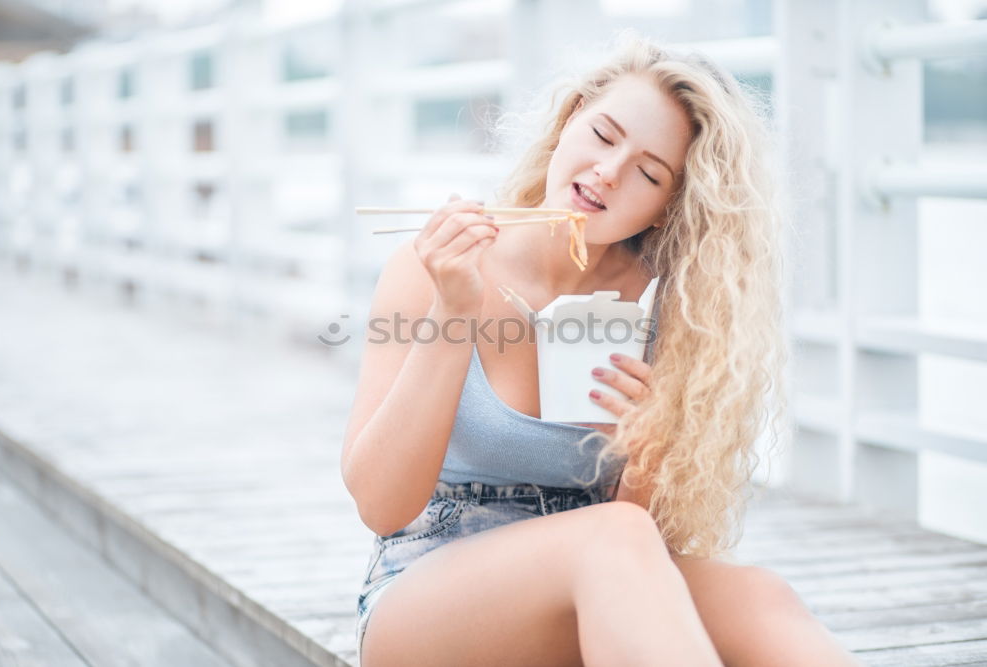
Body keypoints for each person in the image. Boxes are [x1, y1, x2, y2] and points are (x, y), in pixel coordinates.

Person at [341, 31, 861, 667]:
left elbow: (642, 553)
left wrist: (645, 455)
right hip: (424, 593)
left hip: (591, 579)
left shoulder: (667, 310)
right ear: (568, 122)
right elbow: (380, 505)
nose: (608, 172)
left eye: (648, 172)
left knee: (760, 597)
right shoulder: (438, 265)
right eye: (603, 135)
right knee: (611, 541)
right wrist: (453, 309)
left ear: (668, 208)